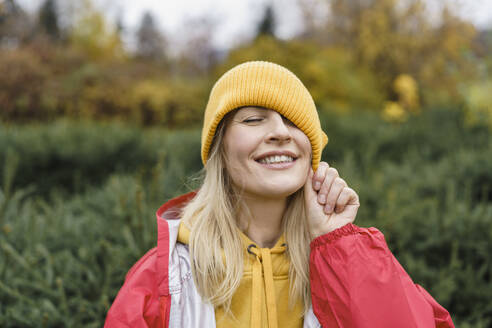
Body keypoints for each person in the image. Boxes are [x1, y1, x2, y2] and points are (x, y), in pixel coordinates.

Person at [104, 61, 455, 328]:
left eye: (293, 121)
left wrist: (338, 243)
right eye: (254, 120)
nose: (280, 133)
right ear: (219, 149)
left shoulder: (348, 259)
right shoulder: (163, 277)